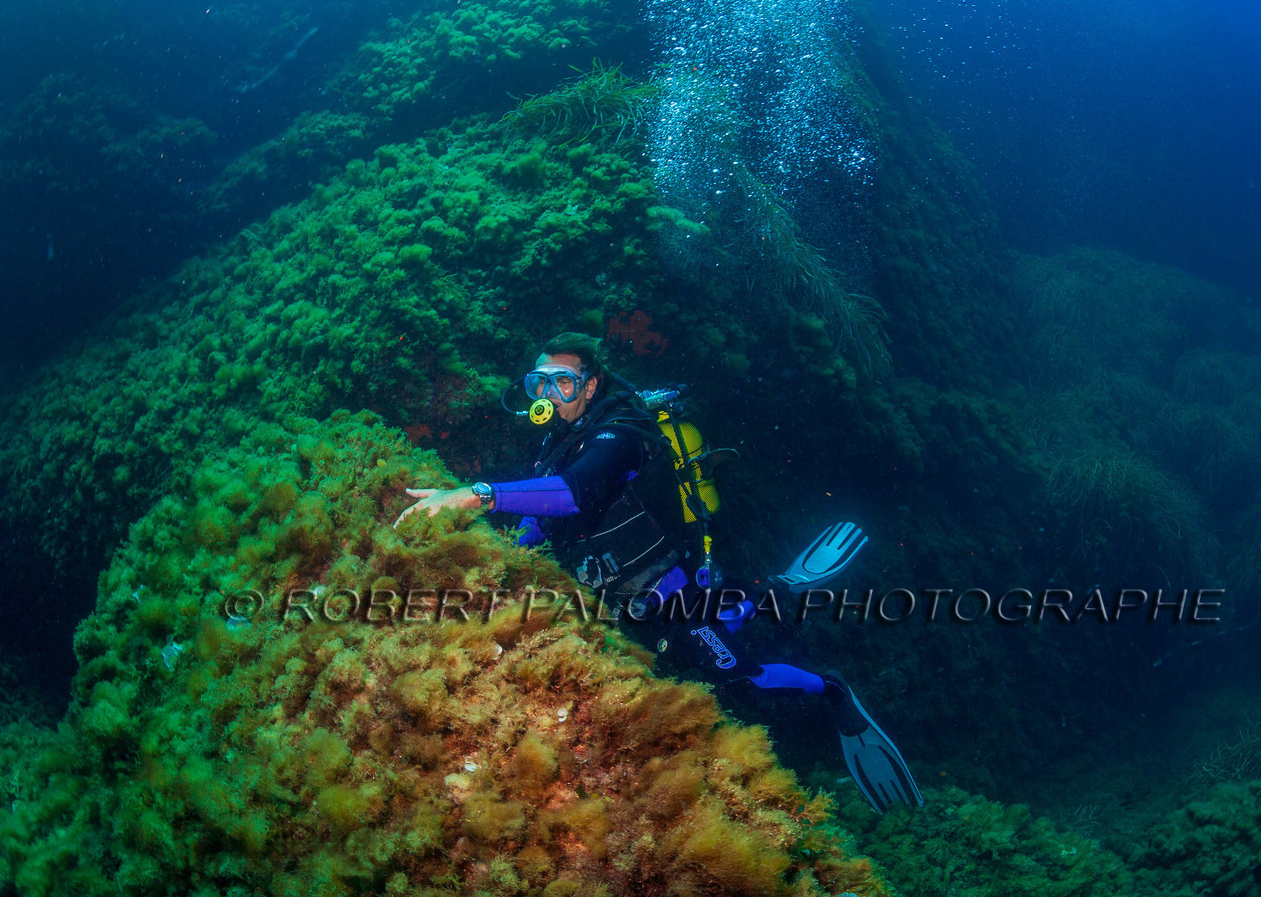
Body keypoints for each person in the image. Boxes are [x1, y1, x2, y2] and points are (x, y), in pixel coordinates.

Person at [395, 332, 923, 813]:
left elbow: (573, 493)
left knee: (735, 677)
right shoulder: (557, 441)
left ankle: (831, 689)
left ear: (591, 384)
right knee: (679, 656)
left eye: (564, 381)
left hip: (667, 595)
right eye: (541, 381)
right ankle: (774, 589)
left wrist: (477, 494)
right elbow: (544, 514)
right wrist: (513, 549)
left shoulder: (619, 437)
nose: (550, 393)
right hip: (620, 600)